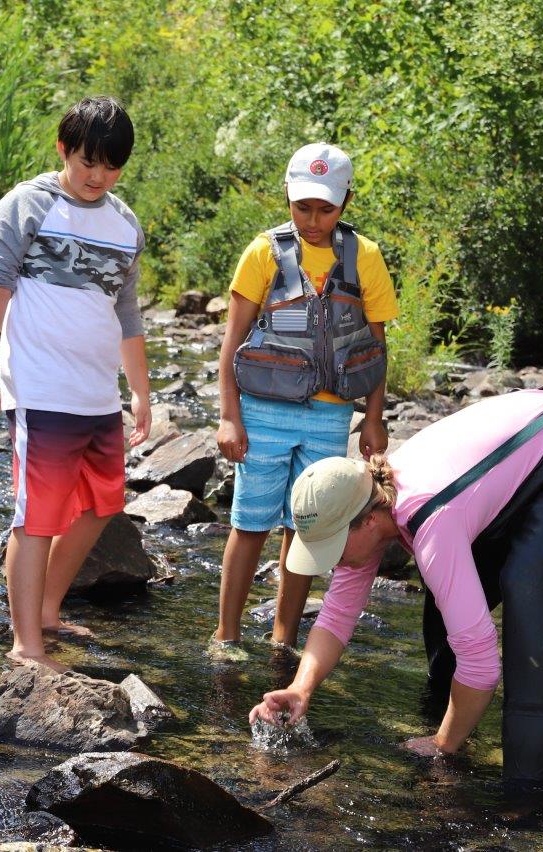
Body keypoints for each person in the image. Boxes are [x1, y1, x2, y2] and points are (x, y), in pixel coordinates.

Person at [249, 386, 543, 786]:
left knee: (530, 590)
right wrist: (301, 688)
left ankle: (527, 801)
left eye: (333, 547)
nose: (332, 561)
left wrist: (443, 746)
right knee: (449, 613)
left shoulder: (430, 520)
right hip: (531, 465)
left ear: (368, 521)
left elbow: (480, 662)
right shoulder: (368, 499)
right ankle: (457, 736)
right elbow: (337, 616)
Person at [0, 96, 151, 673]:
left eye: (111, 166)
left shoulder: (124, 224)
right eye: (87, 161)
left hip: (97, 392)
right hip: (40, 390)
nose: (97, 176)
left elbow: (127, 313)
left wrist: (140, 390)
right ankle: (27, 646)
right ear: (64, 149)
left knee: (102, 504)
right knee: (37, 515)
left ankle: (47, 608)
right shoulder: (27, 205)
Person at [211, 143, 398, 657]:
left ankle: (283, 639)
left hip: (332, 415)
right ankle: (226, 636)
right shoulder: (263, 253)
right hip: (264, 411)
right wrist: (230, 417)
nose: (313, 220)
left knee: (306, 524)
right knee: (250, 523)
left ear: (346, 202)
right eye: (303, 207)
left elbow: (376, 346)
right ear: (287, 198)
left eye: (326, 209)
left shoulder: (366, 257)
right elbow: (232, 342)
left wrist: (373, 420)